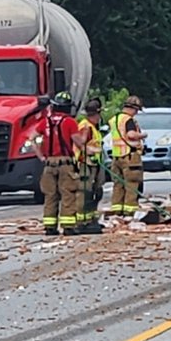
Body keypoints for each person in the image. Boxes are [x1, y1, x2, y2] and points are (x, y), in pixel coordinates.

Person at [31, 91, 86, 235]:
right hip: (65, 163)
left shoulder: (45, 122)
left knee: (50, 195)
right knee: (68, 193)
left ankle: (50, 227)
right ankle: (68, 227)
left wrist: (41, 156)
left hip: (49, 164)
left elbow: (32, 138)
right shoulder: (70, 122)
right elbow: (78, 142)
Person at [108, 95, 147, 217]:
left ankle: (117, 211)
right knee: (132, 185)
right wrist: (143, 135)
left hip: (116, 157)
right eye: (136, 110)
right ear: (133, 108)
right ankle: (130, 212)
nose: (136, 113)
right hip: (129, 157)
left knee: (118, 185)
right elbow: (131, 135)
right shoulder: (128, 120)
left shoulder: (114, 119)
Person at [75, 98, 105, 234]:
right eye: (99, 114)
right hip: (85, 164)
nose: (100, 118)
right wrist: (91, 151)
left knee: (95, 192)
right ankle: (82, 222)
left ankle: (91, 219)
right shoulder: (86, 127)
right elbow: (81, 144)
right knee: (85, 193)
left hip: (94, 164)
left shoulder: (92, 127)